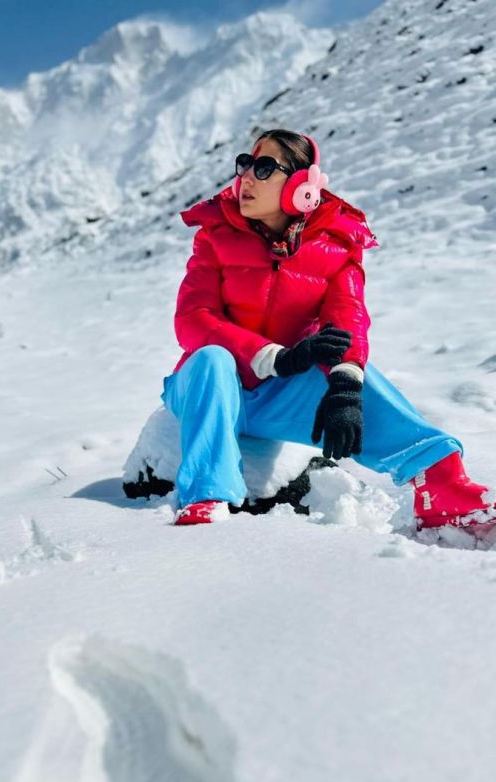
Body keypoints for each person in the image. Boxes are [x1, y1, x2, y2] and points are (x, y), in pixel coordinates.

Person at [160, 128, 496, 530]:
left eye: (264, 168)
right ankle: (205, 496)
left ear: (301, 186)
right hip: (205, 389)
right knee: (213, 358)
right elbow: (193, 319)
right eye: (246, 164)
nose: (246, 177)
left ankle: (441, 483)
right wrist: (274, 356)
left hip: (274, 399)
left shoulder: (338, 242)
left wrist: (345, 384)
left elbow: (348, 317)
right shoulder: (214, 235)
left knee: (349, 375)